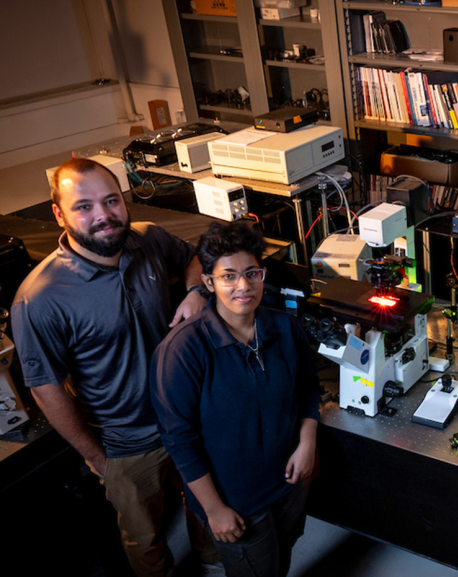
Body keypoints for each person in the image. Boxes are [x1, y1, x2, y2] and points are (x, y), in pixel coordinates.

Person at [10, 158, 215, 576]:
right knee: (145, 539)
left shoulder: (149, 239)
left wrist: (195, 290)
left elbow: (196, 257)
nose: (103, 215)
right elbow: (44, 387)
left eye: (111, 201)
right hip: (126, 445)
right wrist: (98, 459)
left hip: (187, 417)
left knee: (207, 504)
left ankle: (213, 563)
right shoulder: (39, 299)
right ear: (59, 214)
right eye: (84, 206)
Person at [150, 221, 320, 577]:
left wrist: (307, 443)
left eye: (251, 273)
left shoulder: (285, 329)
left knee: (280, 558)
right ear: (209, 283)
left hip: (288, 484)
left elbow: (306, 388)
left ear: (263, 274)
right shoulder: (182, 351)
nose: (243, 286)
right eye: (228, 276)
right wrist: (213, 510)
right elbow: (180, 441)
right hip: (236, 501)